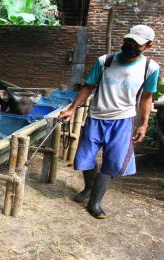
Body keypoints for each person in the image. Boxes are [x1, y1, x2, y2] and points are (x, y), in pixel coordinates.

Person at [59, 25, 160, 219]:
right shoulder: (105, 61)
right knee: (85, 158)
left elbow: (147, 97)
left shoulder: (150, 68)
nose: (129, 45)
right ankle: (89, 188)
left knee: (113, 162)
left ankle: (94, 202)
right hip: (96, 116)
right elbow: (88, 87)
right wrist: (72, 109)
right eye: (128, 41)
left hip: (123, 120)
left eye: (135, 44)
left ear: (148, 45)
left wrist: (144, 123)